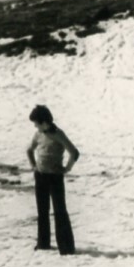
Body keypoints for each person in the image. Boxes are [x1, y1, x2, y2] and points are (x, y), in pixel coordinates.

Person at [27, 104, 79, 254]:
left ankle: (66, 247)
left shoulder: (58, 134)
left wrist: (66, 169)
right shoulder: (38, 134)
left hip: (55, 177)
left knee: (59, 211)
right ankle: (43, 243)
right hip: (40, 176)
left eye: (36, 123)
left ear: (44, 122)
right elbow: (29, 150)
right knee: (42, 211)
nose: (35, 126)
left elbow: (74, 153)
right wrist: (33, 166)